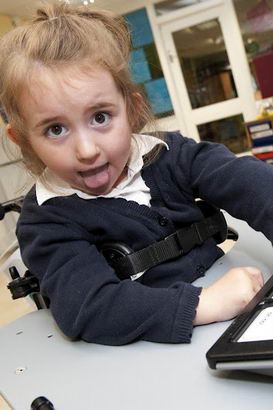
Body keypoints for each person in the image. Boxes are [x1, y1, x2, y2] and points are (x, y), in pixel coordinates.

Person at [0, 2, 268, 346]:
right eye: (55, 129)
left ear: (132, 111)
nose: (86, 150)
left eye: (100, 117)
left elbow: (255, 186)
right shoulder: (45, 223)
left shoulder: (172, 154)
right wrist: (205, 304)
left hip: (235, 313)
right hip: (151, 347)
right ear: (24, 141)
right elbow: (90, 308)